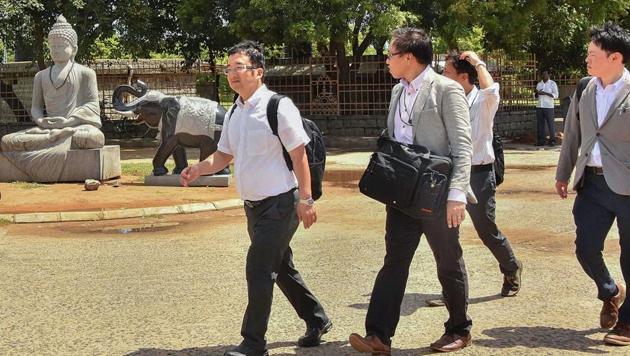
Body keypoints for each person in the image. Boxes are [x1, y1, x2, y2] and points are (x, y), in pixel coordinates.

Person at [180, 41, 331, 356]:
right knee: (281, 267)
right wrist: (198, 170)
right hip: (254, 207)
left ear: (258, 72)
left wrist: (306, 199)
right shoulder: (236, 109)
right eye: (229, 68)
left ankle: (253, 343)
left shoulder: (277, 106)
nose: (232, 73)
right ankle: (317, 319)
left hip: (282, 203)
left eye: (239, 67)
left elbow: (299, 154)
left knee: (259, 268)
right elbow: (223, 155)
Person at [348, 27, 475, 354]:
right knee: (395, 261)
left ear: (408, 57)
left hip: (438, 194)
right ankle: (378, 336)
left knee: (447, 261)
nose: (386, 60)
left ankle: (459, 328)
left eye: (390, 54)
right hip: (402, 195)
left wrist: (457, 194)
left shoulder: (446, 89)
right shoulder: (396, 92)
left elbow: (462, 146)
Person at [555, 22, 630, 346]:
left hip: (628, 186)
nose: (587, 59)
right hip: (593, 185)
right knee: (586, 249)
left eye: (593, 54)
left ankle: (627, 324)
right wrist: (563, 172)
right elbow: (572, 134)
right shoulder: (585, 88)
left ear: (616, 58)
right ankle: (611, 292)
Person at [439, 50, 523, 298]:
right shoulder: (447, 100)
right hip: (452, 173)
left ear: (464, 77)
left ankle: (511, 267)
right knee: (446, 233)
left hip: (479, 174)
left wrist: (477, 62)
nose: (442, 76)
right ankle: (453, 291)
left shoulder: (483, 102)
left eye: (447, 72)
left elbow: (491, 90)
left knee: (486, 229)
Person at [1, 15, 104, 152]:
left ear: (74, 49)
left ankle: (57, 137)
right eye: (52, 46)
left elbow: (92, 105)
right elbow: (36, 108)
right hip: (47, 129)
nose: (55, 50)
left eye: (61, 46)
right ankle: (56, 138)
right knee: (8, 141)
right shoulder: (41, 76)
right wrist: (41, 121)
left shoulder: (86, 73)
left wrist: (69, 122)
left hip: (76, 127)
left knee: (92, 137)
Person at [535, 70, 559, 146]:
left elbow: (556, 95)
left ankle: (552, 140)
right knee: (540, 124)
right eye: (543, 74)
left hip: (549, 107)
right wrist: (536, 93)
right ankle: (541, 140)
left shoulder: (552, 84)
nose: (544, 75)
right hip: (540, 106)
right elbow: (535, 96)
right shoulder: (539, 84)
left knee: (550, 124)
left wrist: (545, 93)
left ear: (549, 75)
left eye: (545, 74)